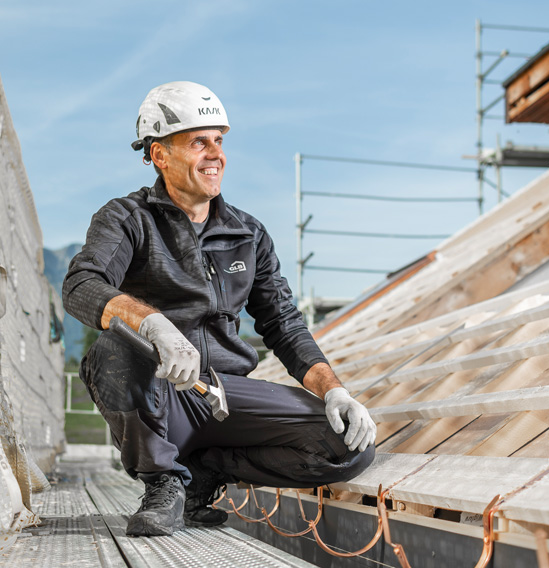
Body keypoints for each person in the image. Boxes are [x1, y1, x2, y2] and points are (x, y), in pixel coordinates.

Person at [62, 81, 375, 537]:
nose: (215, 154)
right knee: (112, 351)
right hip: (162, 393)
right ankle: (163, 480)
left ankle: (204, 473)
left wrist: (334, 390)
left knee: (348, 446)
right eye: (198, 142)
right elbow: (80, 284)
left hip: (224, 397)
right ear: (158, 154)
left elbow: (283, 323)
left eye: (219, 141)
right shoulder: (128, 220)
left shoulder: (247, 234)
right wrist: (152, 324)